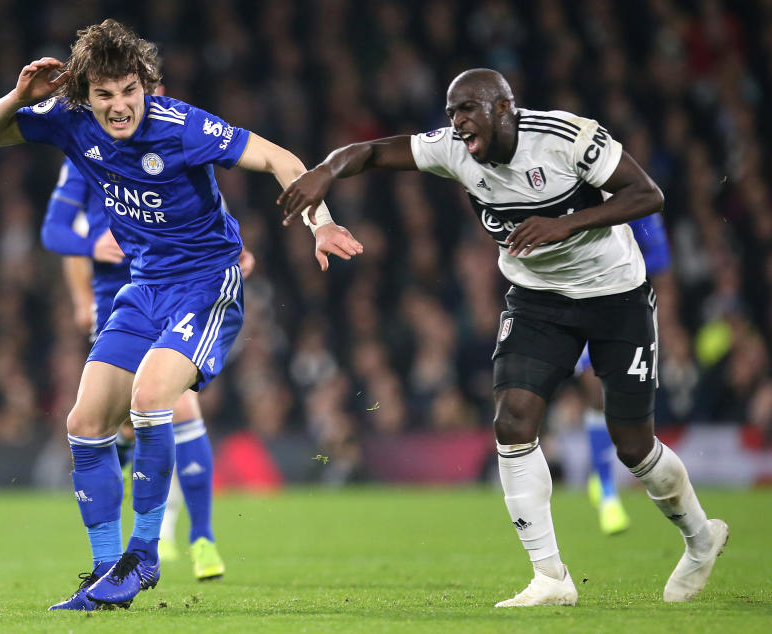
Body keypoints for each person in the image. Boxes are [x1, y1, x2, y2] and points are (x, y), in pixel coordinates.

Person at [279, 68, 728, 607]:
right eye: (451, 112)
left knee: (632, 445)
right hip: (538, 299)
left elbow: (647, 194)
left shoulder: (566, 138)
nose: (457, 122)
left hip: (616, 296)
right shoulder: (454, 150)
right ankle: (551, 578)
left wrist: (567, 223)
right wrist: (328, 171)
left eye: (468, 109)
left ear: (504, 108)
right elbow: (375, 151)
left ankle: (700, 539)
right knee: (512, 420)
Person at [0, 19, 362, 611]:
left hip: (206, 285)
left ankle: (145, 555)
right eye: (104, 94)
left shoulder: (182, 125)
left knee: (151, 398)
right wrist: (19, 96)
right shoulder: (71, 120)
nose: (119, 105)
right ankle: (107, 569)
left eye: (128, 90)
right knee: (83, 423)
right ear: (86, 97)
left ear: (144, 84)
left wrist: (321, 221)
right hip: (143, 287)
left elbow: (282, 159)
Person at [41, 156, 256, 582]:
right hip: (119, 306)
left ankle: (199, 539)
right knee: (110, 424)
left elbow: (212, 216)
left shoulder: (173, 151)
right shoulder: (85, 154)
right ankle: (128, 529)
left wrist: (236, 253)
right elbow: (61, 232)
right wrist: (82, 292)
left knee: (179, 408)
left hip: (177, 296)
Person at [576, 212, 672, 536]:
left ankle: (602, 472)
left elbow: (659, 257)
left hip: (629, 305)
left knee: (624, 400)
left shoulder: (635, 198)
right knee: (594, 389)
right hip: (578, 300)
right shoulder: (566, 188)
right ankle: (606, 491)